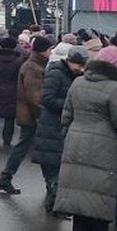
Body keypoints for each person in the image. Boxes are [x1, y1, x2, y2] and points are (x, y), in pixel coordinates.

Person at [55, 45, 117, 231]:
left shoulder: (78, 82)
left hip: (75, 141)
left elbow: (66, 114)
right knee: (100, 202)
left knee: (78, 202)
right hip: (103, 145)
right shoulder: (116, 88)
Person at [32, 46, 88, 214]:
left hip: (59, 127)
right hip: (52, 126)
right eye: (78, 65)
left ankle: (53, 204)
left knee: (56, 170)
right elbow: (47, 98)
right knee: (54, 169)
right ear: (70, 62)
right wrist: (70, 105)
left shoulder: (72, 75)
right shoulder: (56, 73)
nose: (81, 68)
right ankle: (55, 206)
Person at [0, 35, 52, 195]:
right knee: (33, 148)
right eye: (49, 49)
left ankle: (6, 178)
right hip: (32, 116)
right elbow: (34, 96)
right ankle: (6, 178)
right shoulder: (33, 67)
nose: (51, 52)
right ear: (43, 50)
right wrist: (41, 115)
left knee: (27, 147)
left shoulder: (33, 64)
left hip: (28, 114)